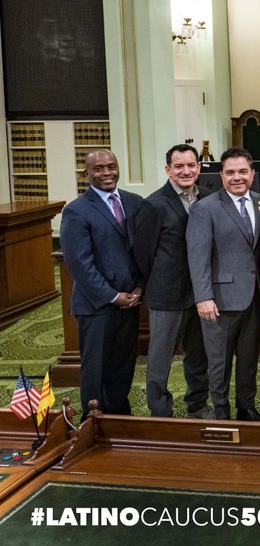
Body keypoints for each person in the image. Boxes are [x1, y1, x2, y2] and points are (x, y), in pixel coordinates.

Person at [188, 147, 260, 421]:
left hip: (255, 297)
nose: (237, 177)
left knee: (249, 359)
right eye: (230, 172)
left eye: (242, 172)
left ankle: (246, 408)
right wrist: (203, 297)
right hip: (219, 300)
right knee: (219, 362)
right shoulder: (205, 208)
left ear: (252, 173)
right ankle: (222, 413)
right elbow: (198, 256)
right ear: (221, 175)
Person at [60, 149, 144, 416]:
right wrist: (112, 296)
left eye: (111, 166)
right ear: (87, 173)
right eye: (98, 169)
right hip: (96, 305)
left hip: (130, 300)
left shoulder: (134, 202)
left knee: (122, 364)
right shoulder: (76, 211)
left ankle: (118, 414)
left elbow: (144, 250)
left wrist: (139, 287)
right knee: (96, 367)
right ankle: (93, 422)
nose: (107, 173)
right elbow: (79, 265)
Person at [131, 144, 211, 418]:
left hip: (201, 295)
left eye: (191, 165)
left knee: (199, 356)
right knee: (160, 358)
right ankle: (160, 411)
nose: (186, 171)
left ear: (199, 168)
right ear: (168, 170)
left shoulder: (210, 199)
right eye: (179, 166)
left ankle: (197, 405)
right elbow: (143, 253)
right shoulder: (152, 205)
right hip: (166, 295)